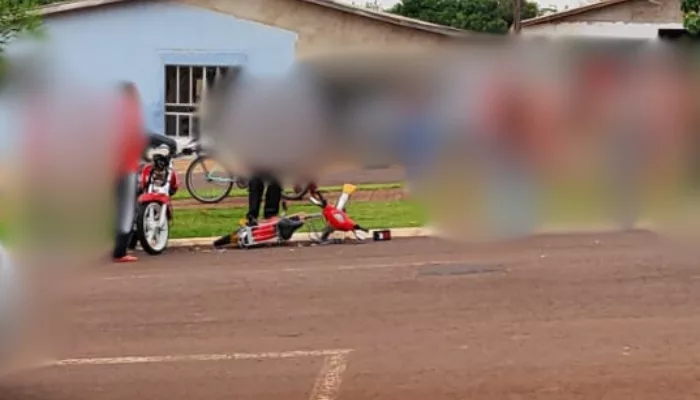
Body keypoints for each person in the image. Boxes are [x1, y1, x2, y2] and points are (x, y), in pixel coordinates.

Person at [113, 82, 147, 263]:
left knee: (117, 208)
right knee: (126, 211)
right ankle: (120, 251)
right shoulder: (130, 112)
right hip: (126, 167)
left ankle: (116, 247)